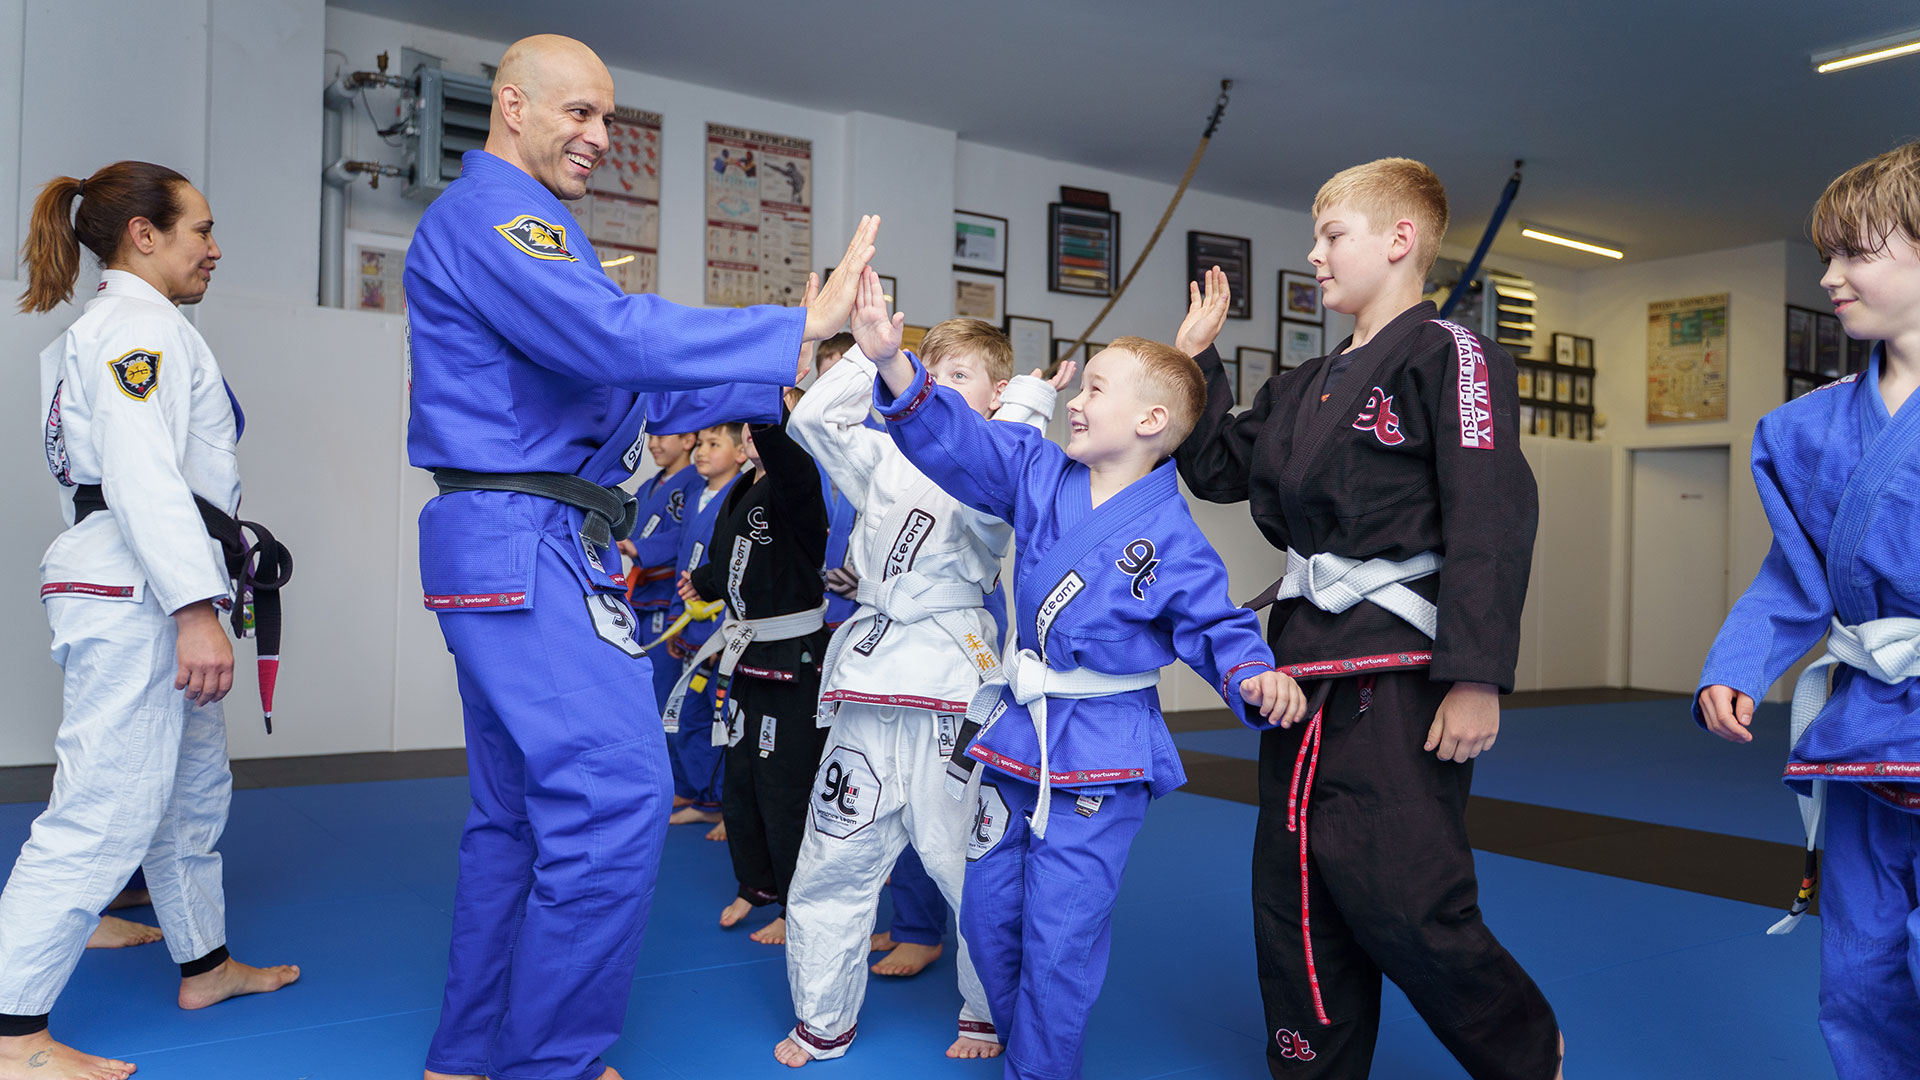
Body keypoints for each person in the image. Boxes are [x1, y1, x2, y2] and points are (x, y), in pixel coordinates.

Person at [403, 32, 878, 1080]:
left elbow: (629, 388)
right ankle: (550, 1065)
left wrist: (790, 370)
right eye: (579, 112)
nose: (601, 136)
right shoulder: (501, 217)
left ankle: (470, 1053)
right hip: (526, 536)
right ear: (513, 106)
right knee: (615, 798)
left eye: (608, 117)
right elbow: (616, 339)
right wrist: (794, 321)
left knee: (517, 817)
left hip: (518, 536)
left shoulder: (530, 231)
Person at [856, 270, 1303, 1079]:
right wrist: (894, 365)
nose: (1074, 400)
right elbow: (965, 443)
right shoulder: (1037, 472)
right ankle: (1025, 1042)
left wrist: (1251, 675)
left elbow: (1217, 625)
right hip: (1018, 736)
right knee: (988, 918)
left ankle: (1040, 1070)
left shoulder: (1173, 539)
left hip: (1102, 749)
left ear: (1150, 420)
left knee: (1060, 939)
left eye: (1094, 388)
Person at [1174, 158, 1562, 1079]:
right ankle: (1314, 1066)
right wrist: (1196, 362)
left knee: (1406, 895)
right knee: (1295, 889)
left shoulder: (1452, 355)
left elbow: (1490, 515)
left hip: (1401, 668)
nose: (1314, 255)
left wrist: (1476, 675)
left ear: (1399, 239)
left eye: (1331, 235)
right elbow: (1221, 469)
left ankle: (1525, 1053)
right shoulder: (1304, 382)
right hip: (1301, 669)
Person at [2, 161, 300, 1080]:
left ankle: (205, 964)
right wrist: (193, 608)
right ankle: (12, 1036)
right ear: (144, 235)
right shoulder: (138, 330)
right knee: (105, 810)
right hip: (143, 594)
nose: (215, 249)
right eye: (200, 230)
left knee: (189, 793)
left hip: (144, 584)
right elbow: (138, 476)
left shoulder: (119, 327)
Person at [777, 320, 1068, 1066]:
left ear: (996, 394)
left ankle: (986, 1010)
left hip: (952, 687)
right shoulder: (883, 455)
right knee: (832, 860)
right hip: (869, 683)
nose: (938, 387)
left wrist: (1027, 404)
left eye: (960, 376)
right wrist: (874, 355)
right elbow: (814, 419)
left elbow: (999, 477)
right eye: (931, 373)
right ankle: (821, 1018)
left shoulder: (1002, 463)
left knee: (971, 868)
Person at [1696, 138, 1920, 1079]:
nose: (1828, 276)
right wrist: (1737, 664)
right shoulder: (1804, 430)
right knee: (1859, 972)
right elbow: (1796, 580)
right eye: (1826, 254)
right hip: (1865, 735)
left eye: (1855, 252)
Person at [668, 375, 831, 948]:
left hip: (792, 660)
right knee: (742, 781)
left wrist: (767, 395)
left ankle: (793, 902)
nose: (751, 434)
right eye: (748, 426)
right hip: (747, 655)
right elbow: (734, 560)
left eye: (761, 426)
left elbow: (784, 455)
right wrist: (704, 581)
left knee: (784, 787)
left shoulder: (799, 483)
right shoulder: (741, 487)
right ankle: (755, 886)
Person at [661, 422, 753, 838]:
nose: (701, 451)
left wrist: (723, 634)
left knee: (724, 721)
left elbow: (736, 575)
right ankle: (704, 798)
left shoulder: (742, 496)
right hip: (690, 625)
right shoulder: (697, 495)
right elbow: (681, 559)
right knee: (691, 716)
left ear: (740, 453)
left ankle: (726, 806)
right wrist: (674, 622)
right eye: (699, 443)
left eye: (714, 444)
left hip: (723, 628)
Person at [616, 431, 710, 823]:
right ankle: (675, 782)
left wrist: (639, 549)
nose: (654, 443)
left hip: (672, 602)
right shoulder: (650, 485)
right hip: (643, 600)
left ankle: (697, 790)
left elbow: (686, 540)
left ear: (689, 439)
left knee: (675, 701)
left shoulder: (697, 484)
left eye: (664, 435)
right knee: (651, 701)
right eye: (650, 435)